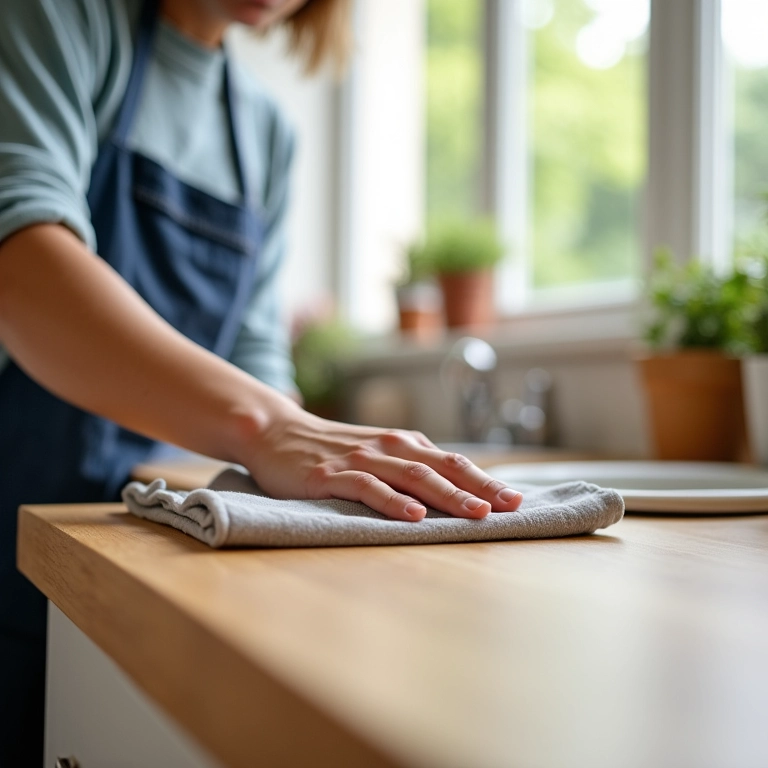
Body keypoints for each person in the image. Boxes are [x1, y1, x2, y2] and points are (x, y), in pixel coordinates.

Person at [0, 0, 524, 762]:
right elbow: (21, 271)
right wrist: (272, 428)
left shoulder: (265, 134)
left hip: (142, 530)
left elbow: (256, 354)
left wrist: (319, 484)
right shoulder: (62, 17)